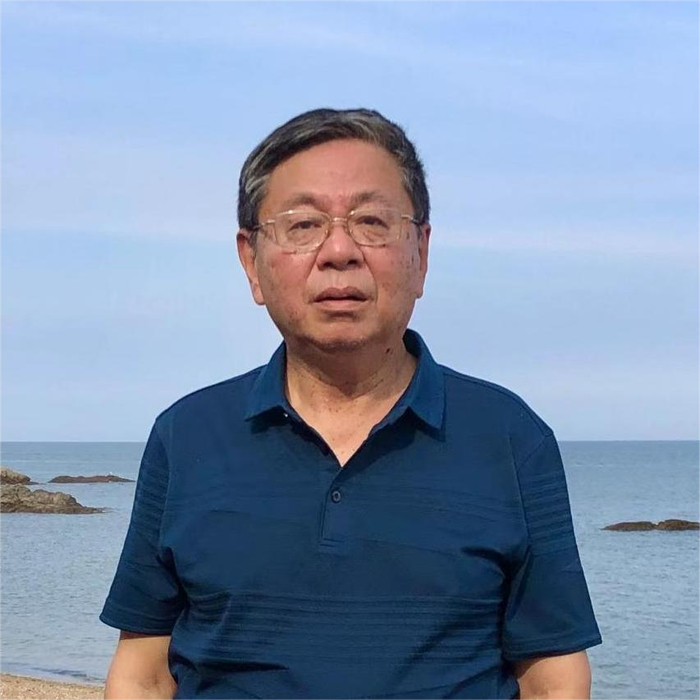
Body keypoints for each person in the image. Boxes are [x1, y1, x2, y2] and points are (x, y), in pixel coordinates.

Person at [100, 107, 602, 699]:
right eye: (303, 225)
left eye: (371, 222)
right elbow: (144, 674)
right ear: (251, 262)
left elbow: (552, 680)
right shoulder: (186, 435)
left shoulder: (511, 437)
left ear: (421, 252)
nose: (339, 251)